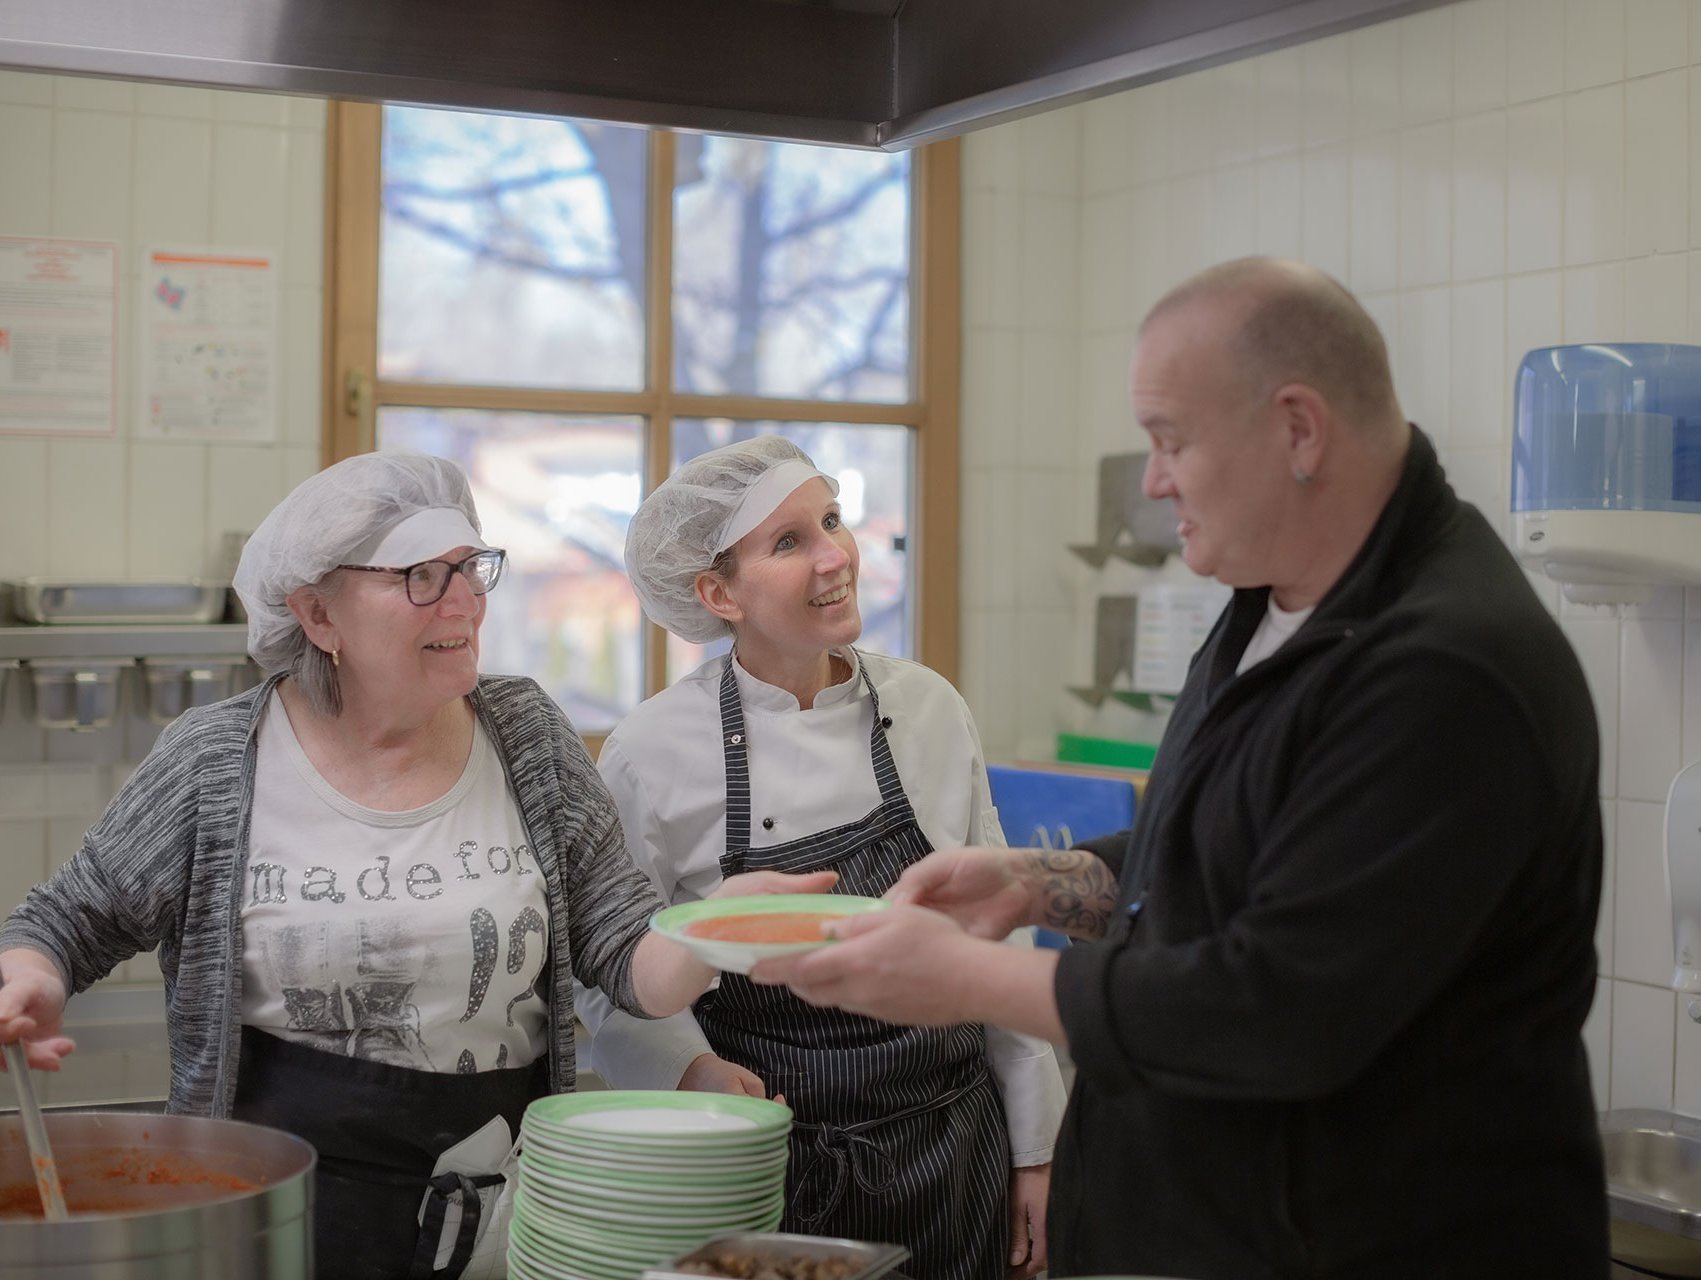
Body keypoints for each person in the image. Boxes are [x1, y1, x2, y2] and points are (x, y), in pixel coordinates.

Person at [751, 258, 1610, 1278]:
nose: (1153, 481)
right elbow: (1230, 851)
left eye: (1170, 440)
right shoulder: (1270, 596)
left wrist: (967, 978)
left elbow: (1281, 1007)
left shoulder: (1446, 670)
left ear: (1299, 429)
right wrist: (1036, 880)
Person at [0, 450, 831, 1279]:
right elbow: (69, 918)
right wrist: (31, 973)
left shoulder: (527, 734)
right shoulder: (219, 759)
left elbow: (621, 953)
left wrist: (712, 929)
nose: (466, 600)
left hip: (495, 1215)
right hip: (275, 1217)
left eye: (470, 567)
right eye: (421, 577)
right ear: (318, 617)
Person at [576, 436, 1066, 1280]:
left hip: (954, 1147)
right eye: (789, 541)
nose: (836, 556)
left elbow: (996, 939)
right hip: (769, 1160)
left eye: (831, 521)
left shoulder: (927, 708)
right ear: (715, 592)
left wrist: (1036, 1150)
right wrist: (684, 1066)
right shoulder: (651, 753)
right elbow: (610, 971)